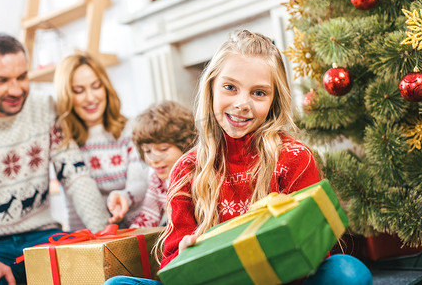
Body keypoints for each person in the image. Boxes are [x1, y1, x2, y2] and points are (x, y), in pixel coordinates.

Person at [104, 29, 372, 285]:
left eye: (258, 93)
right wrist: (185, 254)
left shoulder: (294, 158)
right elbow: (171, 264)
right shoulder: (186, 168)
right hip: (212, 281)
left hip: (284, 279)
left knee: (348, 272)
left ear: (273, 101)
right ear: (211, 88)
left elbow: (314, 249)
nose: (242, 103)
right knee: (117, 284)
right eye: (230, 87)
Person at [0, 33, 111, 285]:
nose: (16, 89)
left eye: (22, 77)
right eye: (2, 80)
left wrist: (104, 236)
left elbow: (75, 174)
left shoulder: (45, 108)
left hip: (42, 235)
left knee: (92, 273)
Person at [54, 52, 149, 230]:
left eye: (96, 86)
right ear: (66, 96)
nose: (90, 98)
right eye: (79, 91)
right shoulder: (65, 144)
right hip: (94, 236)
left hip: (139, 227)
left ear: (105, 87)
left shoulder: (131, 129)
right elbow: (73, 207)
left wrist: (124, 197)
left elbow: (140, 182)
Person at [108, 100, 196, 229]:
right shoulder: (157, 180)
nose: (153, 159)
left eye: (163, 149)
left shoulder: (198, 174)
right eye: (147, 151)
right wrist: (129, 239)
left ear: (185, 144)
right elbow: (148, 217)